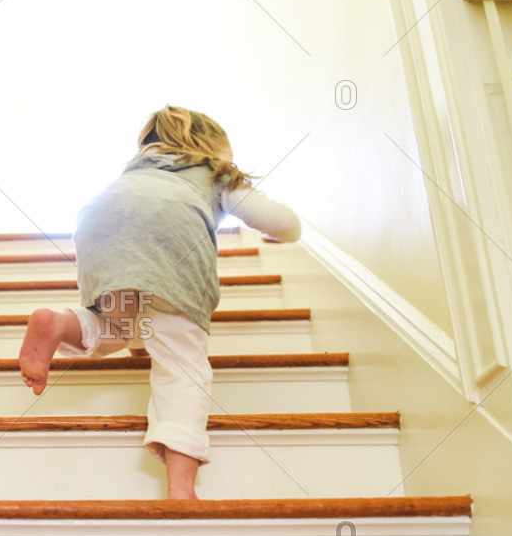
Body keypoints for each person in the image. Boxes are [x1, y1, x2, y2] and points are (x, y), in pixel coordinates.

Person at [17, 106, 301, 499]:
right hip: (170, 249)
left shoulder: (136, 172)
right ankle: (181, 488)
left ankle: (60, 323)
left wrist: (141, 340)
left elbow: (138, 245)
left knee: (115, 326)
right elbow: (280, 222)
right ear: (214, 150)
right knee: (182, 369)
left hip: (100, 226)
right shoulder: (214, 172)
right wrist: (292, 229)